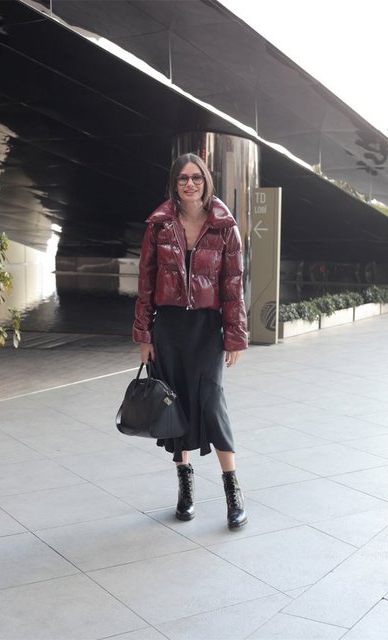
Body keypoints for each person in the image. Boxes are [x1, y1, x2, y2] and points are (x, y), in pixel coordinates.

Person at [132, 152, 248, 529]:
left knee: (212, 405)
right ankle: (185, 489)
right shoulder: (159, 225)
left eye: (196, 177)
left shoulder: (225, 227)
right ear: (174, 184)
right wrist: (144, 335)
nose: (190, 184)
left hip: (206, 329)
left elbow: (233, 287)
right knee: (174, 406)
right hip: (168, 328)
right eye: (183, 178)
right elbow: (145, 283)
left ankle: (233, 492)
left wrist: (234, 336)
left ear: (206, 181)